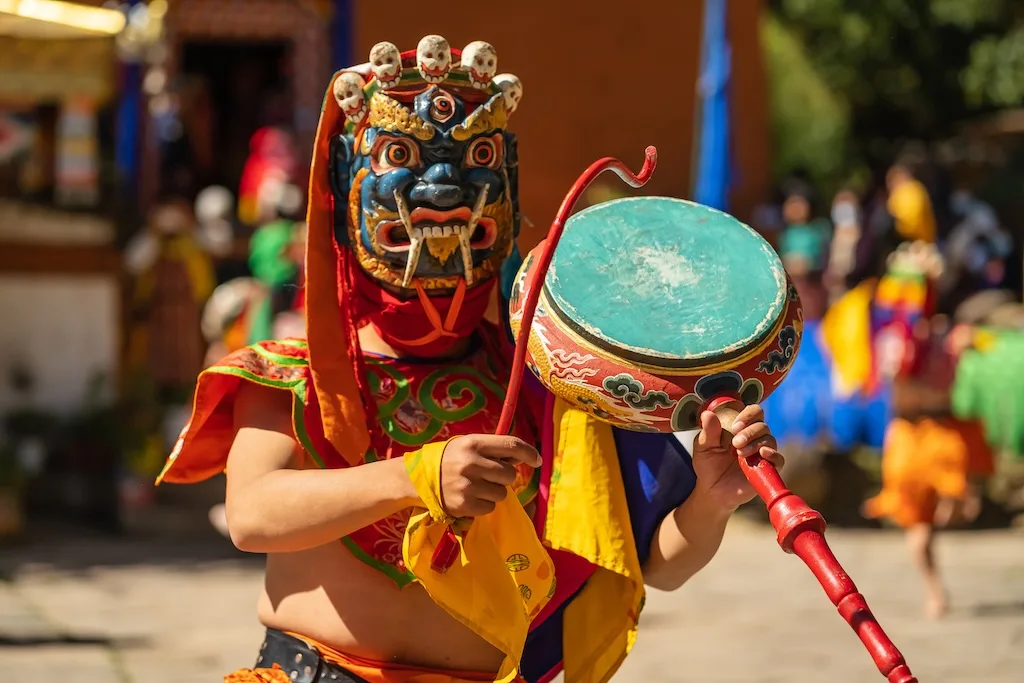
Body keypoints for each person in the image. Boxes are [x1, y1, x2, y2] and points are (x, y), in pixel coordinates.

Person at [157, 36, 783, 683]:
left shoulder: (553, 383)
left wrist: (712, 497)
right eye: (401, 156)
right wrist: (416, 476)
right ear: (346, 195)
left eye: (476, 157)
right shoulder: (290, 374)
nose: (444, 186)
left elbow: (657, 562)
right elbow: (252, 513)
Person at [861, 243, 994, 619]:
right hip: (907, 437)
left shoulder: (943, 336)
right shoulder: (891, 340)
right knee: (920, 532)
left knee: (953, 505)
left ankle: (961, 505)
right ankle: (934, 592)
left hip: (939, 435)